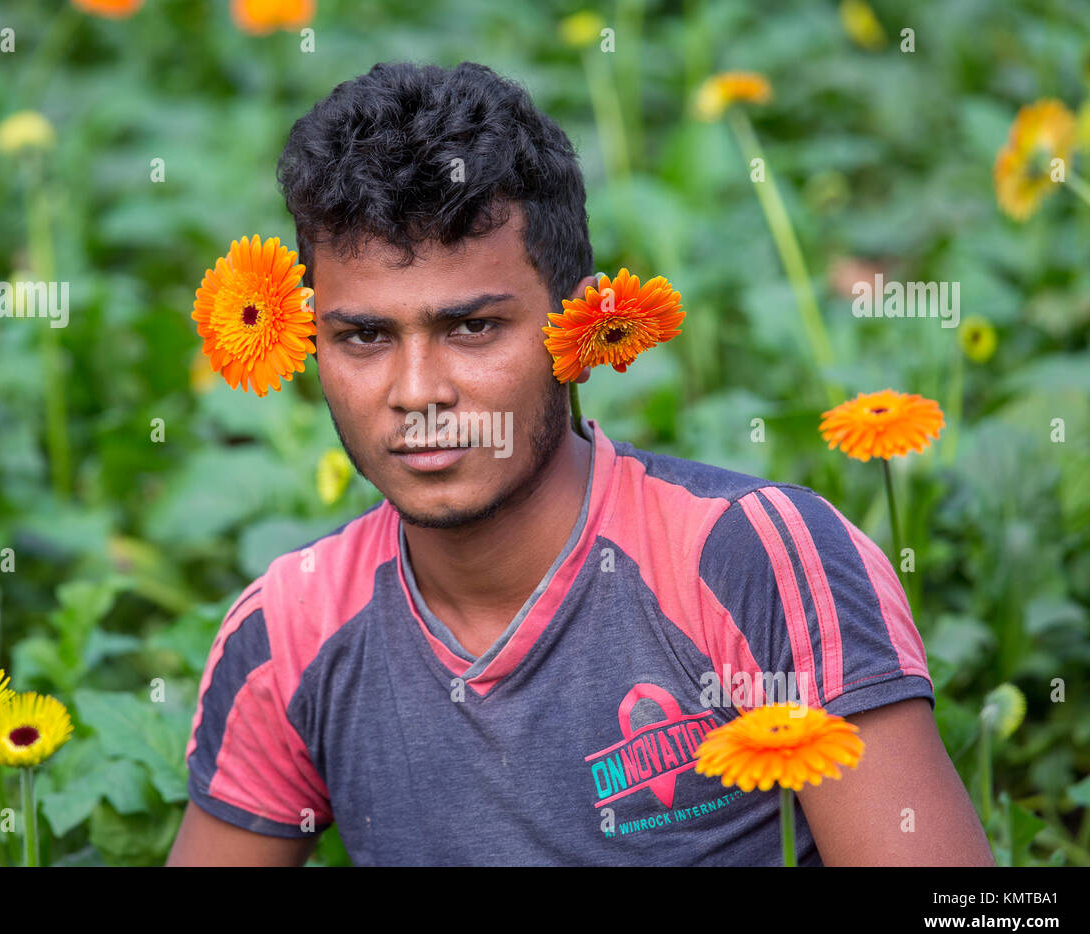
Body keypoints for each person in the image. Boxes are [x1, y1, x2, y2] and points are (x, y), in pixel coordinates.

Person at [167, 61, 994, 866]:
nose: (416, 392)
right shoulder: (287, 632)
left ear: (581, 325)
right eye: (365, 337)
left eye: (473, 328)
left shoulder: (759, 559)